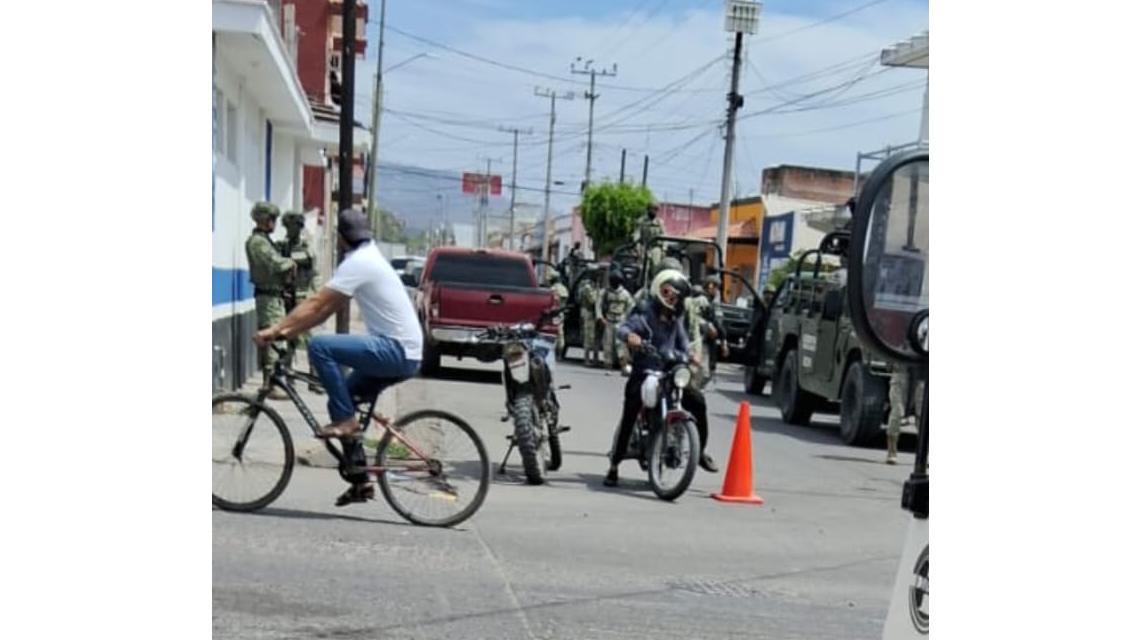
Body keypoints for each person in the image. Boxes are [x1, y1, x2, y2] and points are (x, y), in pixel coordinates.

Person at [255, 209, 423, 506]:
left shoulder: (358, 262)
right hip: (405, 352)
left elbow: (317, 301)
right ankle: (360, 482)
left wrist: (276, 328)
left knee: (320, 347)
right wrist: (289, 331)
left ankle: (346, 421)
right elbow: (325, 310)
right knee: (340, 400)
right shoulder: (369, 256)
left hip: (395, 350)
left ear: (342, 239)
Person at [603, 268, 699, 487]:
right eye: (670, 295)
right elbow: (624, 328)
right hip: (644, 371)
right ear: (661, 291)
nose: (674, 301)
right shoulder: (645, 314)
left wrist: (691, 355)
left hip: (668, 372)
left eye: (677, 298)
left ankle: (697, 451)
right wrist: (631, 336)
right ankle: (615, 463)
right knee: (630, 413)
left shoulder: (676, 320)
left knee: (696, 402)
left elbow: (684, 343)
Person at [245, 202, 295, 400]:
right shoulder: (257, 242)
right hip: (268, 296)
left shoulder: (266, 241)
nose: (273, 223)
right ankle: (270, 384)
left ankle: (273, 381)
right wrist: (290, 263)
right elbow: (274, 264)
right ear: (262, 220)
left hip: (275, 296)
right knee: (273, 339)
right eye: (271, 219)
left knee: (278, 339)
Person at [277, 211, 322, 393]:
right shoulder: (282, 246)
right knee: (288, 339)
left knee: (310, 340)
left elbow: (309, 263)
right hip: (287, 296)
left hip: (303, 297)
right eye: (288, 226)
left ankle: (314, 379)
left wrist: (285, 260)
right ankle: (289, 379)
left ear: (300, 227)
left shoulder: (306, 246)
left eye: (294, 226)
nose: (290, 230)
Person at [600, 271, 635, 372]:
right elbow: (599, 304)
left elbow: (631, 306)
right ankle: (608, 365)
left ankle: (623, 365)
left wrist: (626, 318)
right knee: (607, 344)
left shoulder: (625, 294)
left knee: (621, 344)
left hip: (620, 321)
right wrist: (601, 317)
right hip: (609, 320)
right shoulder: (606, 293)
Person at [578, 270, 601, 367]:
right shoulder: (587, 287)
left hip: (594, 314)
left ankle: (595, 359)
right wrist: (599, 292)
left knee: (596, 337)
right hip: (588, 313)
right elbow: (593, 300)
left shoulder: (595, 287)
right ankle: (586, 359)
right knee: (588, 336)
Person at [634, 203, 666, 272]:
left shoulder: (660, 222)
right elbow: (637, 234)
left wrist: (664, 249)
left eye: (657, 209)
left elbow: (664, 236)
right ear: (649, 209)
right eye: (653, 209)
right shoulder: (641, 221)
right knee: (643, 268)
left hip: (656, 247)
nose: (655, 211)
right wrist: (637, 246)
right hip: (644, 246)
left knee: (656, 267)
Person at [547, 271, 569, 358]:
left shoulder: (552, 289)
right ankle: (559, 352)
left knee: (552, 333)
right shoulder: (564, 288)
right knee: (560, 333)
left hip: (553, 314)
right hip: (561, 313)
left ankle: (553, 352)